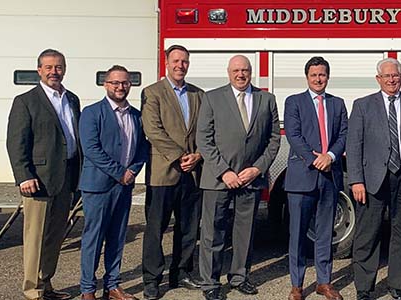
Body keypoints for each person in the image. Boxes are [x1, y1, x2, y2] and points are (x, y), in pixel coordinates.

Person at [196, 55, 281, 300]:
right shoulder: (212, 98)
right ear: (228, 72)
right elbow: (205, 139)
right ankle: (210, 282)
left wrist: (258, 168)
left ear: (251, 71)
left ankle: (239, 276)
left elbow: (273, 139)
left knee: (246, 230)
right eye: (236, 70)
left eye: (244, 70)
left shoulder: (267, 99)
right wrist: (224, 171)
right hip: (218, 178)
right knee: (214, 231)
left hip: (251, 178)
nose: (240, 74)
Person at [346, 58, 401, 300]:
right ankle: (364, 288)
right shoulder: (362, 106)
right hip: (372, 180)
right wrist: (356, 181)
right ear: (378, 79)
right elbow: (354, 146)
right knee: (367, 234)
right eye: (387, 76)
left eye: (396, 75)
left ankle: (398, 285)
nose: (392, 79)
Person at [6, 49, 81, 300]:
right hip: (38, 179)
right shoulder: (25, 101)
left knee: (54, 237)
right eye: (48, 67)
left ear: (65, 69)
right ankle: (32, 289)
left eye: (58, 67)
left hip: (66, 177)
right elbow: (16, 142)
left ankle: (46, 283)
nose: (54, 72)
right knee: (35, 236)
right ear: (39, 70)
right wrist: (23, 175)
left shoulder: (72, 99)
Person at [77, 65, 149, 300]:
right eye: (115, 83)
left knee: (117, 237)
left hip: (124, 186)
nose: (120, 87)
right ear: (106, 84)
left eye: (125, 83)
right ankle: (88, 289)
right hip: (98, 186)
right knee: (93, 238)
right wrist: (120, 172)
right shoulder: (91, 112)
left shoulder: (136, 115)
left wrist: (133, 171)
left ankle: (113, 285)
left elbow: (142, 149)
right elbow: (91, 149)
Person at [140, 44, 205, 299]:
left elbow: (205, 130)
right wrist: (180, 156)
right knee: (156, 228)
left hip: (192, 172)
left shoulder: (199, 94)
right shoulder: (152, 93)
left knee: (188, 227)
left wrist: (198, 155)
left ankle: (182, 272)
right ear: (166, 62)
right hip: (163, 172)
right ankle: (152, 279)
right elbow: (153, 130)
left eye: (185, 61)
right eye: (176, 61)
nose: (180, 65)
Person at [282, 56, 348, 300]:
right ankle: (297, 285)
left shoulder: (338, 103)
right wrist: (314, 159)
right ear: (307, 77)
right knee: (298, 234)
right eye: (314, 75)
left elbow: (344, 134)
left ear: (328, 77)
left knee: (324, 232)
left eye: (322, 74)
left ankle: (324, 282)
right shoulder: (294, 102)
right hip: (302, 176)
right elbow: (294, 135)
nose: (318, 79)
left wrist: (330, 156)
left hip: (329, 176)